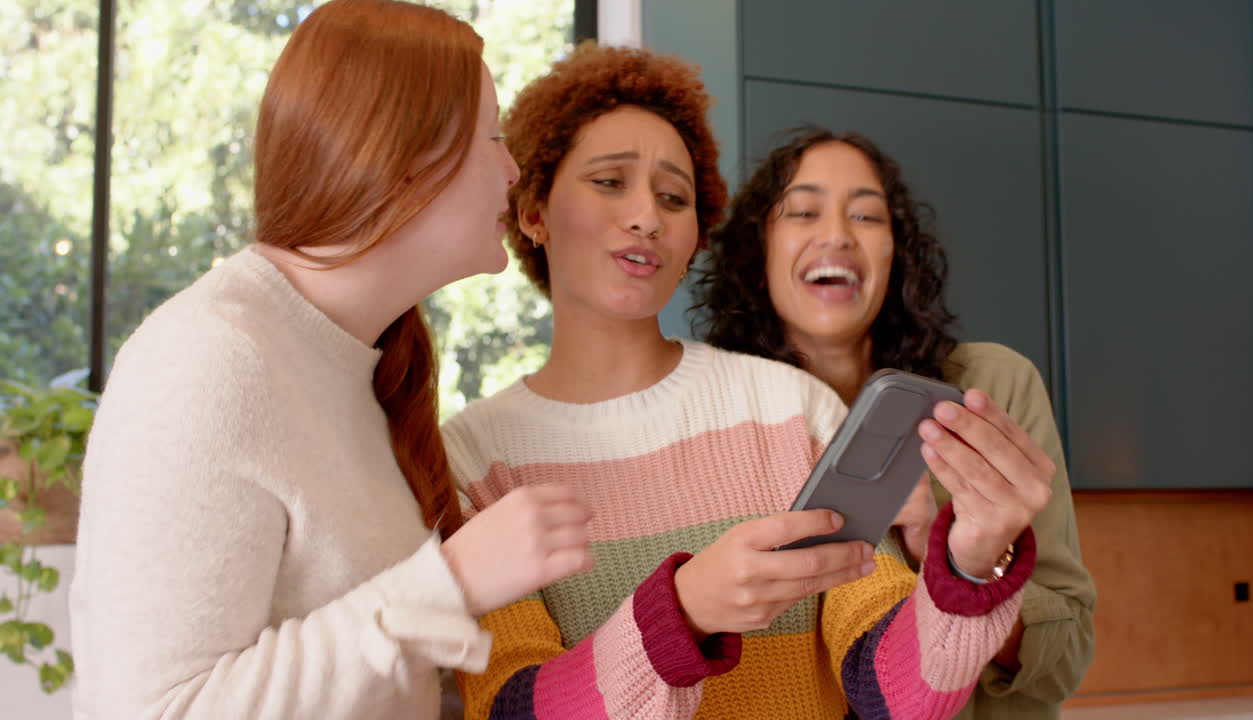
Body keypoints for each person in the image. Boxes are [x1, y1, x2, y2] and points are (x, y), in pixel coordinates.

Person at [442, 44, 1049, 720]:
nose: (646, 214)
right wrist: (683, 613)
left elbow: (893, 692)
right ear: (532, 212)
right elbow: (510, 709)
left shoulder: (789, 407)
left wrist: (968, 563)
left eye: (674, 197)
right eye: (610, 182)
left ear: (695, 235)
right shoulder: (471, 461)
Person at [67, 1, 593, 717]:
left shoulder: (363, 366)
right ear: (401, 157)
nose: (511, 169)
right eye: (491, 136)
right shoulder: (205, 363)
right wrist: (450, 585)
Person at [691, 127, 1097, 718]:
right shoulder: (711, 424)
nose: (836, 235)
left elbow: (1065, 659)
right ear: (757, 258)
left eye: (867, 216)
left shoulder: (990, 390)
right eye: (803, 212)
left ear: (895, 254)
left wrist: (957, 564)